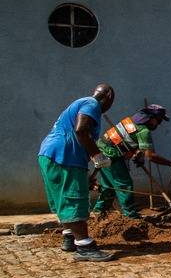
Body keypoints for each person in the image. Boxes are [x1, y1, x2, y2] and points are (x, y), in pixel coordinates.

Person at [38, 84, 116, 261]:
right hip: (64, 156)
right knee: (74, 199)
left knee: (64, 197)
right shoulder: (91, 104)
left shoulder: (81, 104)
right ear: (108, 96)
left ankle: (69, 237)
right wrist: (97, 155)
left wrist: (87, 177)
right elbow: (81, 130)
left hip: (50, 155)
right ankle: (85, 246)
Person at [92, 104, 171, 218]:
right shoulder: (144, 131)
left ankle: (98, 211)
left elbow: (125, 142)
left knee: (109, 186)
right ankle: (130, 216)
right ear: (151, 118)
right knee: (125, 185)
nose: (159, 124)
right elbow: (151, 156)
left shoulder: (130, 121)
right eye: (159, 121)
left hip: (101, 150)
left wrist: (137, 154)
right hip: (111, 156)